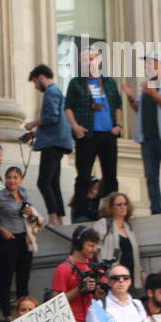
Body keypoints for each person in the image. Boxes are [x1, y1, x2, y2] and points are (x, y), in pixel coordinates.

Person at [65, 47, 122, 220]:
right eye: (86, 59)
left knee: (110, 175)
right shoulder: (76, 83)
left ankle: (111, 209)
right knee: (83, 175)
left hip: (108, 133)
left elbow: (118, 105)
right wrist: (75, 126)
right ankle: (80, 212)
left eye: (92, 58)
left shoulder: (109, 82)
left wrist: (118, 125)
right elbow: (68, 107)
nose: (89, 62)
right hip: (87, 134)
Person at [126, 52, 161, 215]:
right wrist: (130, 98)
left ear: (159, 65)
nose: (146, 67)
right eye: (146, 64)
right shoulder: (147, 85)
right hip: (148, 138)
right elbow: (140, 109)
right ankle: (155, 209)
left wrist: (153, 93)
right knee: (151, 177)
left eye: (150, 64)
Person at [22, 64, 70, 226]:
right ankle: (59, 217)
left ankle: (53, 216)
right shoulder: (57, 92)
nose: (36, 86)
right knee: (53, 181)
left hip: (52, 143)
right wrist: (36, 134)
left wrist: (32, 124)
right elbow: (54, 121)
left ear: (40, 77)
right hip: (57, 141)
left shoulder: (51, 92)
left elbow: (51, 117)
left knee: (43, 181)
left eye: (35, 82)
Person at [0, 166, 38, 319]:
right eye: (9, 177)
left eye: (15, 177)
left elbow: (34, 217)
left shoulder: (25, 194)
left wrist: (31, 213)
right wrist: (1, 229)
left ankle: (24, 313)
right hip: (8, 239)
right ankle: (7, 314)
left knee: (23, 278)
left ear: (20, 179)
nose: (12, 180)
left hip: (25, 239)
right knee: (6, 277)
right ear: (5, 179)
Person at [85, 263, 153, 322]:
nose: (121, 280)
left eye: (125, 277)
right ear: (109, 281)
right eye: (116, 278)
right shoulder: (97, 308)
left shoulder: (137, 304)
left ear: (130, 281)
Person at [52, 227, 101, 322]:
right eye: (91, 246)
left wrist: (99, 293)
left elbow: (97, 296)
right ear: (78, 245)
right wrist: (79, 289)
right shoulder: (63, 269)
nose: (95, 249)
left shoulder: (94, 267)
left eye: (96, 245)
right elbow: (55, 302)